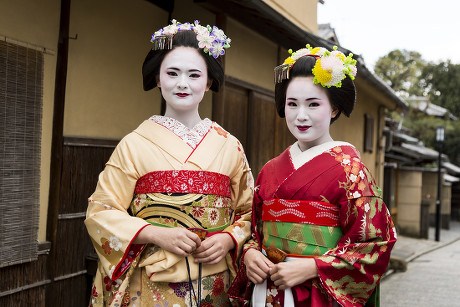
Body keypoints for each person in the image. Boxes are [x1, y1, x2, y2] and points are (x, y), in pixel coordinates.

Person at [85, 20, 254, 307]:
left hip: (215, 282)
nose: (182, 83)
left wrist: (228, 238)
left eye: (194, 74)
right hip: (150, 282)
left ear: (209, 81)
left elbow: (249, 211)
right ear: (158, 79)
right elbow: (100, 211)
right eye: (172, 73)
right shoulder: (134, 143)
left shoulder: (230, 145)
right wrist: (154, 233)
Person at [231, 45, 397, 306]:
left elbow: (374, 244)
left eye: (313, 104)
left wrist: (313, 268)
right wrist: (250, 254)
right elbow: (255, 231)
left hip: (319, 292)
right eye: (292, 104)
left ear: (334, 109)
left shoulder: (351, 171)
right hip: (268, 290)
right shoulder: (270, 169)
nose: (301, 115)